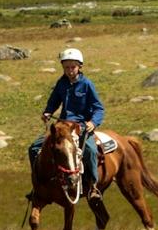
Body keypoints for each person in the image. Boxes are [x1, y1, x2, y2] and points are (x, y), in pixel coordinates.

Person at [32, 47, 104, 183]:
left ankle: (93, 185)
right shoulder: (61, 83)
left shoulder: (87, 84)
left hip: (81, 126)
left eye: (73, 67)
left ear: (79, 66)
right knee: (34, 148)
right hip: (62, 125)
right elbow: (53, 102)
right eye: (66, 68)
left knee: (91, 151)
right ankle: (37, 182)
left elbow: (98, 108)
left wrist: (93, 122)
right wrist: (48, 112)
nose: (70, 71)